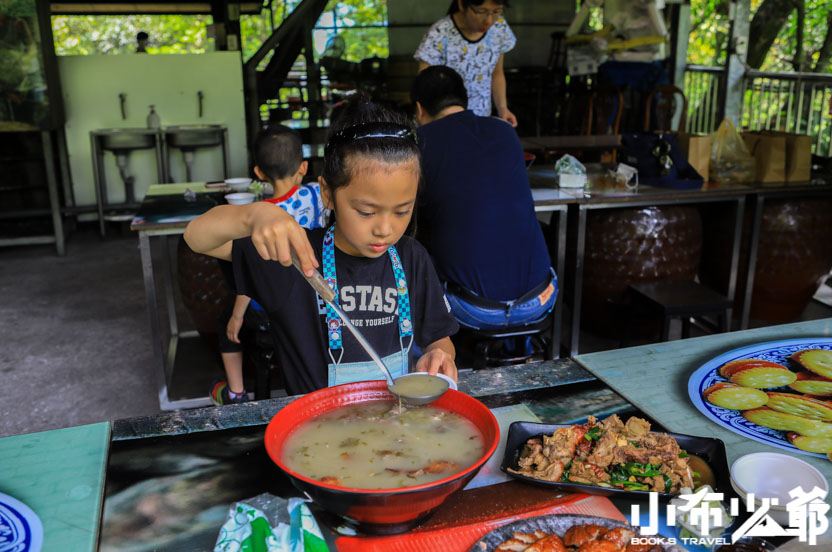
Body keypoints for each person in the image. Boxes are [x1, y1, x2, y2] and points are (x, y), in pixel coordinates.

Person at [186, 94, 459, 395]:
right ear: (327, 193)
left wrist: (440, 354)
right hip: (317, 433)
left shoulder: (411, 258)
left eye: (402, 211)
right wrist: (254, 214)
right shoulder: (293, 258)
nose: (385, 229)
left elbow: (439, 337)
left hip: (397, 425)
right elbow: (196, 237)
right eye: (366, 212)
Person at [411, 65, 557, 336]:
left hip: (471, 307)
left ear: (419, 109)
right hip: (541, 298)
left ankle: (427, 367)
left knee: (411, 262)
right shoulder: (504, 132)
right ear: (464, 100)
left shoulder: (420, 144)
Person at [210, 125, 328, 405]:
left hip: (273, 305)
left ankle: (236, 392)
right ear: (303, 167)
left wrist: (237, 316)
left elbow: (251, 277)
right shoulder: (316, 193)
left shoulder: (261, 220)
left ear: (259, 173)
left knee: (225, 323)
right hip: (317, 295)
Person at [414, 0, 517, 127]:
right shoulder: (439, 34)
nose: (489, 20)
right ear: (462, 4)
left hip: (480, 118)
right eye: (481, 12)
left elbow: (496, 73)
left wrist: (502, 109)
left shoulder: (499, 28)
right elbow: (424, 83)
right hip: (445, 121)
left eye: (496, 11)